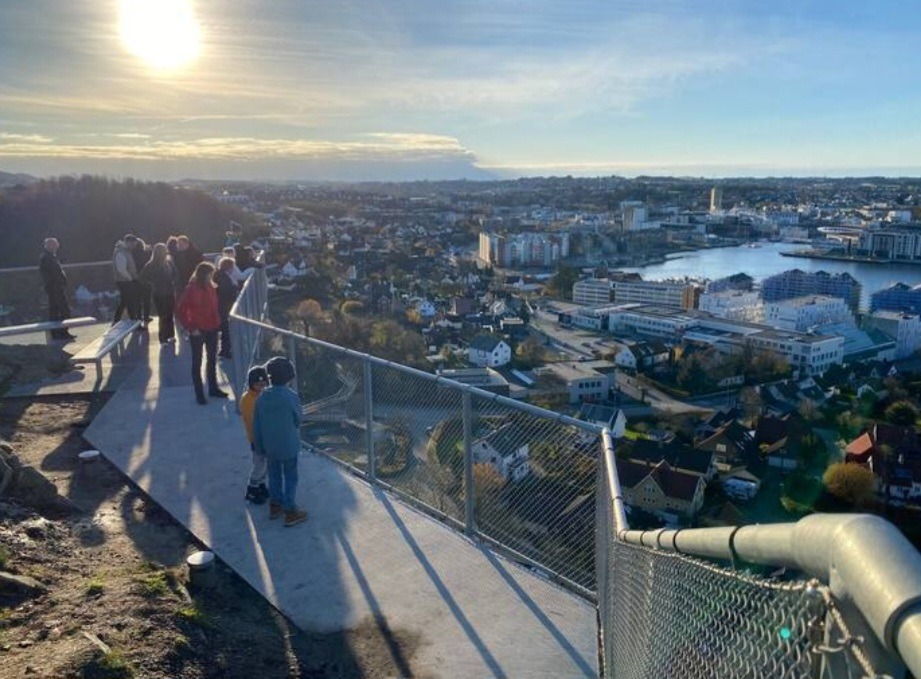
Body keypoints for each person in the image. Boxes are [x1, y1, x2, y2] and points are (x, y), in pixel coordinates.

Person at [252, 356, 308, 527]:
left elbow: (256, 425)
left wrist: (259, 447)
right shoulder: (291, 397)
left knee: (274, 475)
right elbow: (298, 419)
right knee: (290, 476)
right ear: (289, 377)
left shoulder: (261, 398)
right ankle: (290, 511)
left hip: (270, 447)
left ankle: (275, 506)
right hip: (289, 445)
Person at [176, 262, 227, 404]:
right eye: (210, 274)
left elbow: (214, 307)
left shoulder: (211, 287)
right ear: (203, 275)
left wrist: (218, 323)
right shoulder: (191, 289)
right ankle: (199, 393)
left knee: (212, 359)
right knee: (197, 362)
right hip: (198, 330)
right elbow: (181, 310)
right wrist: (191, 328)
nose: (212, 276)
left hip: (212, 327)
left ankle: (213, 388)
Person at [239, 365, 270, 505]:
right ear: (252, 384)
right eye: (258, 384)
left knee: (266, 464)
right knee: (259, 464)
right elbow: (252, 421)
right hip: (257, 439)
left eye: (264, 384)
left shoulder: (263, 395)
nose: (261, 387)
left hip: (267, 437)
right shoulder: (248, 399)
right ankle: (251, 488)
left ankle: (261, 484)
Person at [140, 243, 178, 345]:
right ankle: (163, 338)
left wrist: (173, 281)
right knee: (163, 316)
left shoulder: (169, 262)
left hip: (169, 291)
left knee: (170, 315)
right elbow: (142, 278)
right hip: (159, 294)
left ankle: (171, 335)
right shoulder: (151, 265)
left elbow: (175, 273)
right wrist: (152, 285)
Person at [39, 238, 76, 341]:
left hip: (55, 287)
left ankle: (59, 333)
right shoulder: (46, 257)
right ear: (48, 246)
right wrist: (58, 282)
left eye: (55, 245)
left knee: (55, 310)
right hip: (54, 288)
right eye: (53, 245)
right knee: (63, 310)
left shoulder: (51, 257)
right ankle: (60, 332)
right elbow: (53, 273)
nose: (55, 247)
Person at [112, 234, 142, 327]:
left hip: (127, 281)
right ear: (128, 242)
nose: (134, 247)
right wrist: (130, 278)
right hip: (124, 281)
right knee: (130, 301)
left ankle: (117, 320)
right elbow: (121, 269)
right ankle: (133, 322)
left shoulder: (126, 251)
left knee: (125, 301)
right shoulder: (120, 252)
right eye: (133, 244)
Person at [214, 257, 238, 359]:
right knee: (226, 330)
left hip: (219, 306)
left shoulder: (217, 274)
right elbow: (227, 293)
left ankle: (223, 350)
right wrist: (235, 288)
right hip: (223, 307)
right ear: (229, 267)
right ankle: (225, 351)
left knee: (222, 329)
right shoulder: (224, 278)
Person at [132, 237, 153, 323]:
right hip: (146, 279)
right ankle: (146, 316)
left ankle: (138, 317)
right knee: (146, 299)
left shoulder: (132, 254)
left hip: (136, 279)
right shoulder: (147, 254)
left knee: (137, 299)